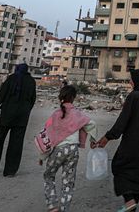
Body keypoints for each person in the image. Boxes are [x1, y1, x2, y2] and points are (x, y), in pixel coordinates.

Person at [94, 69, 139, 212]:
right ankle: (132, 207)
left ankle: (129, 200)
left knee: (119, 167)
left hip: (132, 139)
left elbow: (122, 121)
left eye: (131, 79)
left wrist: (108, 136)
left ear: (137, 81)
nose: (130, 82)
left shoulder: (134, 96)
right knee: (137, 170)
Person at [40, 84, 97, 212]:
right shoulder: (77, 114)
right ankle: (64, 208)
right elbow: (92, 124)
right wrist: (93, 140)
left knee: (49, 175)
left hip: (58, 150)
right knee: (68, 182)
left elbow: (46, 135)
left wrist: (42, 155)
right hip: (73, 151)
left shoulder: (55, 114)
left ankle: (52, 205)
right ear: (73, 98)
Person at [0, 63, 37, 177]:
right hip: (22, 117)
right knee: (16, 144)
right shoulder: (31, 81)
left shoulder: (11, 78)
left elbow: (1, 94)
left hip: (7, 114)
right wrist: (26, 110)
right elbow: (33, 99)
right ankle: (10, 171)